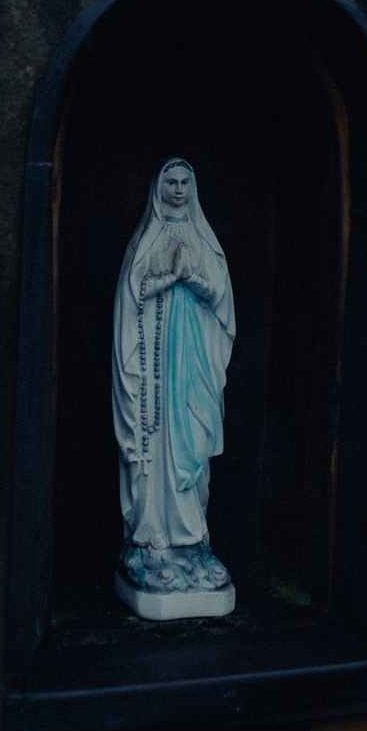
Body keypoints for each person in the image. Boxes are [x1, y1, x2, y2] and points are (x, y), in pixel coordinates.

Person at [112, 158, 236, 599]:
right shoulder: (146, 240)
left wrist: (193, 279)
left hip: (193, 367)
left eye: (185, 182)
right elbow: (134, 295)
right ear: (158, 187)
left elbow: (220, 298)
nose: (179, 189)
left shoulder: (205, 240)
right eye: (171, 182)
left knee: (193, 450)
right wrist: (171, 277)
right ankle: (152, 542)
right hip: (154, 373)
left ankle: (193, 543)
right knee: (155, 449)